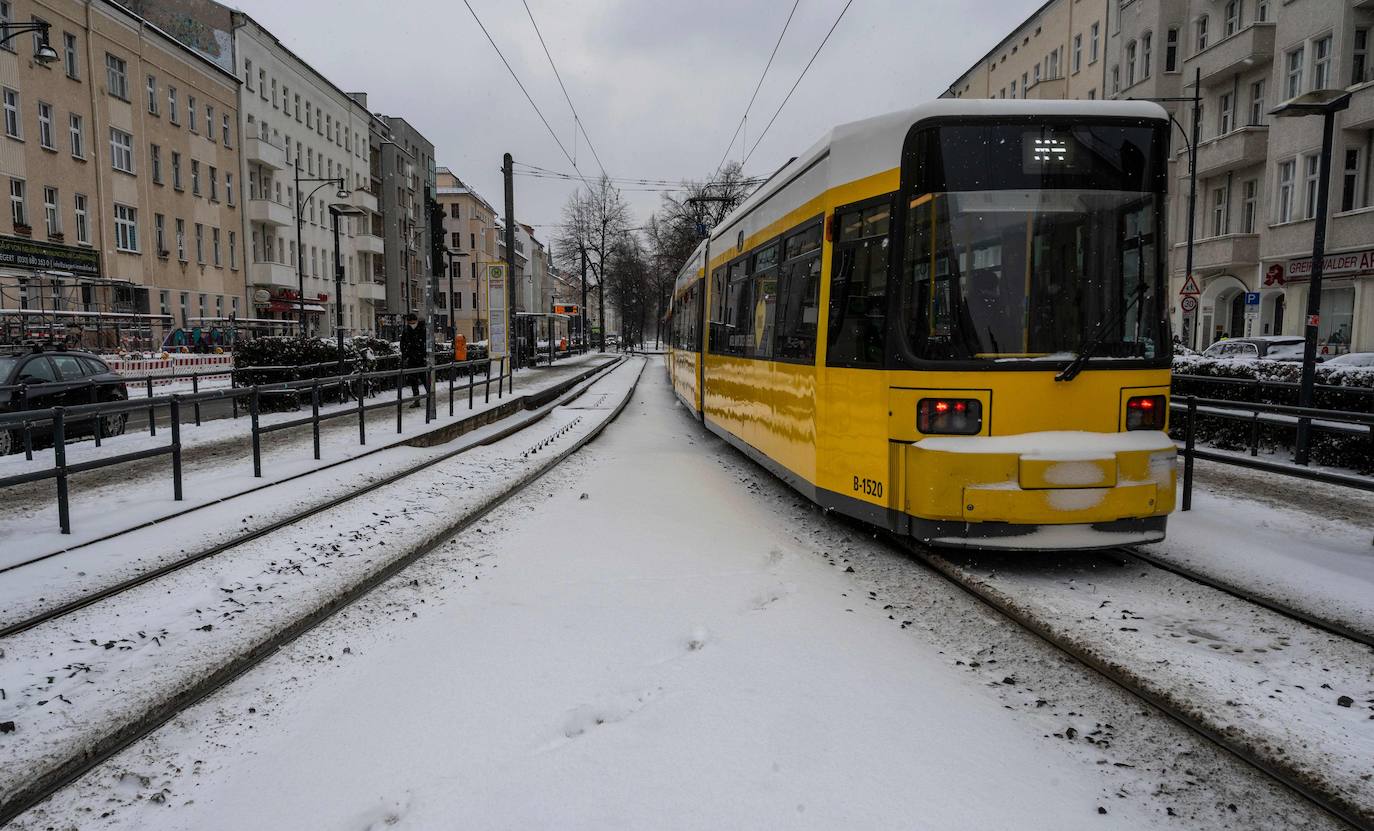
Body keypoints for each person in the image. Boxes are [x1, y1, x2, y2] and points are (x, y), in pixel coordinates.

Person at [399, 313, 429, 408]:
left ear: (416, 321)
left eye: (412, 322)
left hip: (421, 359)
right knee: (413, 380)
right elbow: (402, 343)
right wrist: (405, 354)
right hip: (411, 359)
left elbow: (426, 343)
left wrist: (424, 355)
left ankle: (430, 396)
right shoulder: (406, 330)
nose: (411, 323)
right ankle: (417, 399)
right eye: (409, 322)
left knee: (424, 379)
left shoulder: (422, 329)